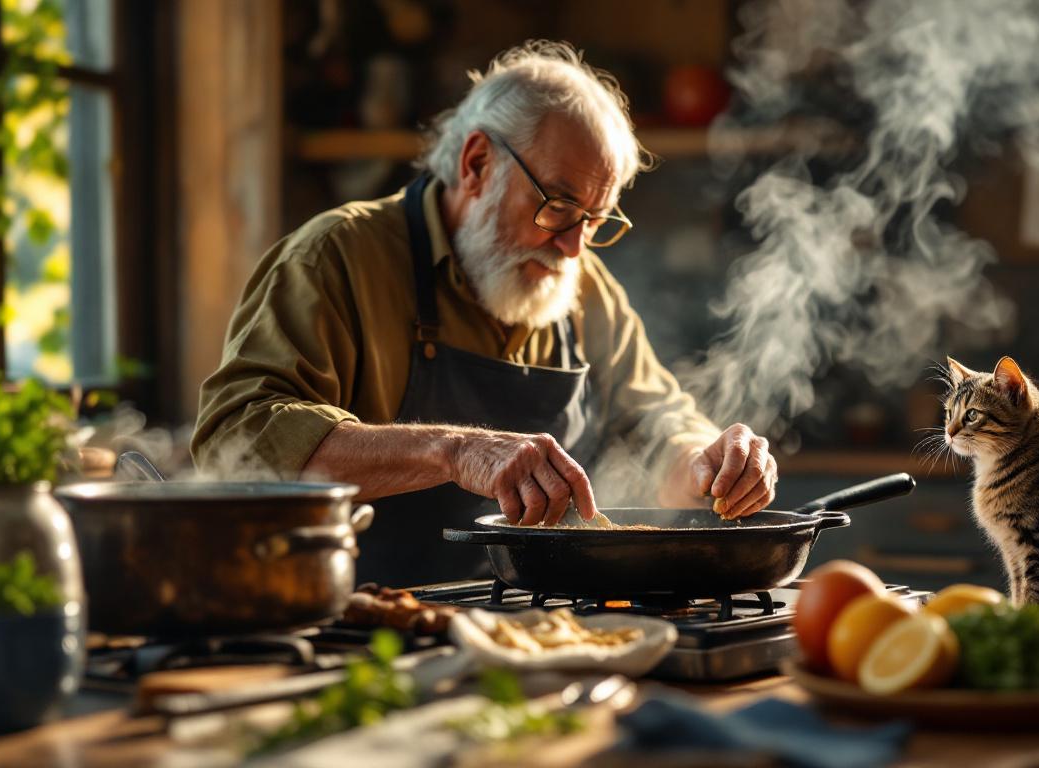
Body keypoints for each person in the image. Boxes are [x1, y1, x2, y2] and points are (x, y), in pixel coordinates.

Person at [192, 40, 778, 587]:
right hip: (360, 626)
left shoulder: (581, 285)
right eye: (557, 206)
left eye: (595, 221)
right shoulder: (336, 257)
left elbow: (653, 423)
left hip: (534, 622)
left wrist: (706, 459)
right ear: (476, 164)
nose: (574, 247)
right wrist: (452, 450)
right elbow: (234, 438)